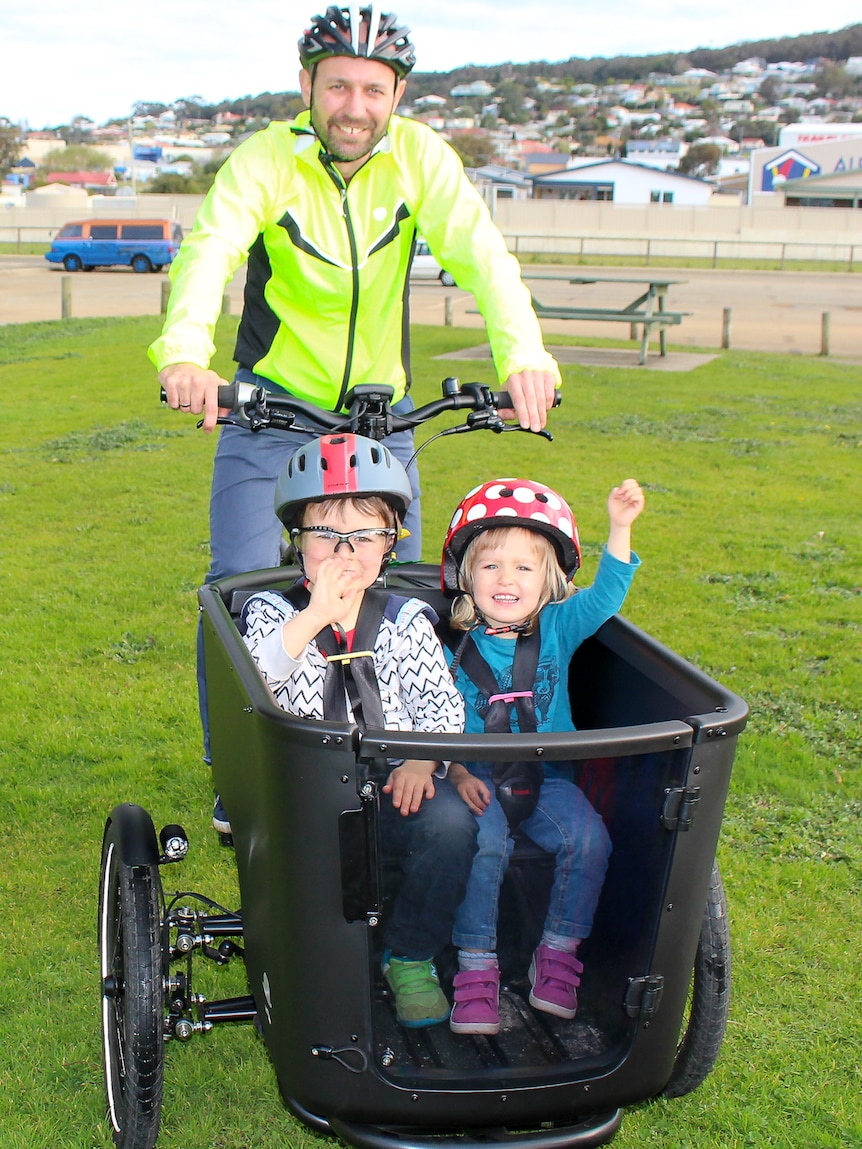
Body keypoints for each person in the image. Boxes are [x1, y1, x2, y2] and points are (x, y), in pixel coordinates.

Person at [148, 4, 561, 823]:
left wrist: (524, 354)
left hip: (383, 415)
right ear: (308, 86)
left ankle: (405, 755)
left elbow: (483, 255)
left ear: (397, 94)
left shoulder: (421, 161)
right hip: (271, 408)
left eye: (374, 89)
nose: (354, 106)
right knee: (238, 583)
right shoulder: (266, 160)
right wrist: (184, 354)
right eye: (338, 85)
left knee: (406, 593)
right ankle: (240, 769)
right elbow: (210, 250)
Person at [240, 432, 476, 1028]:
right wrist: (316, 616)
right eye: (324, 533)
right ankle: (317, 958)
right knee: (315, 854)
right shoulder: (273, 613)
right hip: (307, 782)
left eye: (364, 534)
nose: (344, 549)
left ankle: (410, 954)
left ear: (390, 543)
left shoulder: (406, 620)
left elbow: (442, 709)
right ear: (297, 541)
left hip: (394, 778)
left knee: (450, 825)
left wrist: (423, 762)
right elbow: (263, 687)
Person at [438, 477, 645, 1035]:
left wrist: (620, 527)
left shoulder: (559, 626)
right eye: (491, 567)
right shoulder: (451, 647)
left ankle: (557, 952)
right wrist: (455, 772)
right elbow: (438, 723)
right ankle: (476, 968)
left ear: (549, 581)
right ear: (467, 577)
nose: (506, 579)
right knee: (483, 846)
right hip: (476, 776)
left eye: (524, 568)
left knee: (589, 841)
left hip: (547, 776)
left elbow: (605, 598)